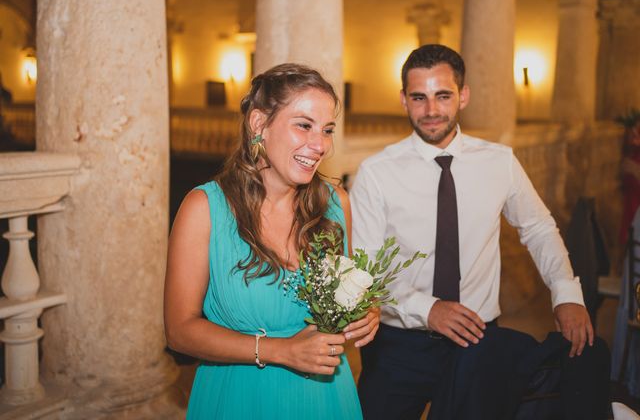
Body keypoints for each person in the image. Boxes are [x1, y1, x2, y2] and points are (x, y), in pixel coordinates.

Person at [350, 45, 610, 419]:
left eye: (443, 95)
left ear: (463, 96)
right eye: (418, 97)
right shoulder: (376, 172)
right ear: (403, 100)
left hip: (477, 340)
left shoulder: (499, 161)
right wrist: (428, 309)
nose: (431, 110)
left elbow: (537, 227)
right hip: (397, 344)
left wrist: (565, 291)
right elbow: (367, 269)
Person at [164, 63, 379, 419]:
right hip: (238, 396)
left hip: (323, 397)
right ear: (259, 124)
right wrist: (280, 351)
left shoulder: (335, 204)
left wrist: (367, 311)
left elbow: (346, 294)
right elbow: (179, 331)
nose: (320, 145)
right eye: (304, 125)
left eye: (327, 130)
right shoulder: (204, 208)